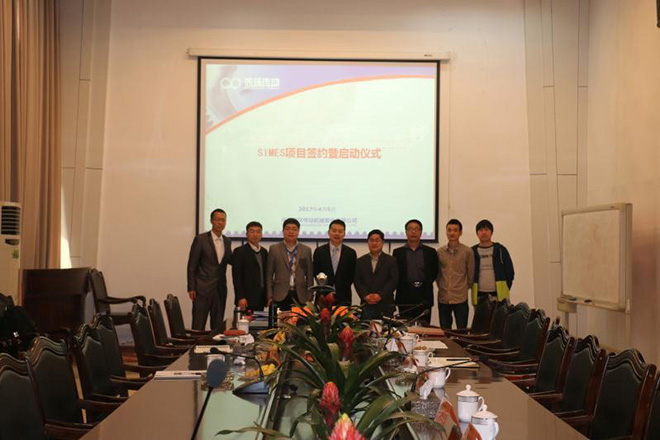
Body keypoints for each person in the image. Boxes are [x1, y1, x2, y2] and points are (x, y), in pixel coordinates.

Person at [187, 208, 232, 332]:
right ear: (211, 221)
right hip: (202, 289)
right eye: (217, 220)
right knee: (198, 325)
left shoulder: (227, 241)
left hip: (220, 290)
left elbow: (230, 260)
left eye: (223, 220)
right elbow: (192, 265)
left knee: (217, 327)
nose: (220, 223)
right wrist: (191, 287)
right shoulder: (201, 239)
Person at [393, 219, 438, 321]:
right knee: (405, 327)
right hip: (405, 295)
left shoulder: (430, 252)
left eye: (416, 229)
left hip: (424, 295)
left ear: (421, 232)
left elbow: (434, 272)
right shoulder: (398, 252)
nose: (413, 232)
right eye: (410, 229)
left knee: (424, 326)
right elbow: (396, 274)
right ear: (406, 232)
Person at [266, 218, 314, 310]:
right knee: (279, 319)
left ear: (298, 232)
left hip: (300, 295)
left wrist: (309, 296)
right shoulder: (274, 249)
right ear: (283, 231)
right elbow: (269, 274)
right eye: (288, 229)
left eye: (294, 229)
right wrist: (269, 295)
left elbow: (309, 275)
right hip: (279, 294)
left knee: (300, 319)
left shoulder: (306, 250)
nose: (291, 232)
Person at [436, 219, 474, 329]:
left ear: (460, 233)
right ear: (446, 232)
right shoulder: (440, 252)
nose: (452, 233)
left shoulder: (467, 251)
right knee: (445, 330)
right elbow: (438, 274)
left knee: (462, 330)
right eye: (449, 230)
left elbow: (471, 275)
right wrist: (442, 286)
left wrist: (463, 288)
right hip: (443, 297)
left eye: (455, 230)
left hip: (460, 298)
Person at [354, 229, 399, 320]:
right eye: (371, 240)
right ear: (368, 242)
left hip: (386, 305)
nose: (374, 243)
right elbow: (357, 280)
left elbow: (393, 280)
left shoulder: (391, 260)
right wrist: (366, 295)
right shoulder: (360, 261)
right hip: (366, 304)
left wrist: (380, 295)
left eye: (377, 240)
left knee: (385, 329)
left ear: (382, 242)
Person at [313, 219, 357, 306]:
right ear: (329, 232)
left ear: (344, 234)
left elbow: (351, 276)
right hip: (323, 297)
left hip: (343, 297)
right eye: (334, 231)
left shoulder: (351, 253)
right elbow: (316, 273)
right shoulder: (319, 251)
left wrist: (337, 292)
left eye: (340, 231)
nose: (337, 234)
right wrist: (326, 290)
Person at [471, 219, 514, 305]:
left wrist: (506, 287)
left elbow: (510, 272)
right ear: (477, 233)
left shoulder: (500, 249)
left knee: (500, 314)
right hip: (479, 295)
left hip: (499, 296)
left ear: (491, 232)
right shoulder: (472, 251)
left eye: (487, 230)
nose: (484, 232)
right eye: (481, 230)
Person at [231, 221, 268, 311]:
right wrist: (241, 297)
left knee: (259, 320)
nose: (255, 234)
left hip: (261, 298)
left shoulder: (264, 252)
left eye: (258, 231)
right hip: (246, 299)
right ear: (246, 234)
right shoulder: (239, 251)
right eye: (252, 231)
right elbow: (237, 276)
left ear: (261, 234)